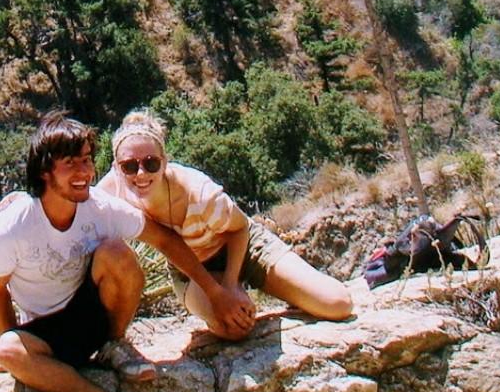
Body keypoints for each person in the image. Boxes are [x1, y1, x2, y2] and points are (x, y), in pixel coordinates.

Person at [0, 112, 246, 392]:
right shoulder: (10, 228)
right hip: (44, 330)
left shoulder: (99, 208)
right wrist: (19, 349)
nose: (85, 173)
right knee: (8, 351)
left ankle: (113, 345)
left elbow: (164, 239)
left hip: (91, 319)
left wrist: (214, 291)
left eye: (88, 160)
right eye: (71, 163)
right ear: (44, 171)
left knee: (116, 253)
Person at [92, 108, 354, 337]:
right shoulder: (111, 193)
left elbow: (239, 228)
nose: (140, 174)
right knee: (234, 327)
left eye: (150, 163)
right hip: (191, 269)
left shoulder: (199, 192)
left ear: (165, 162)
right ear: (116, 167)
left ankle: (285, 291)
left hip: (244, 247)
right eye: (129, 166)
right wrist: (217, 295)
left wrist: (229, 285)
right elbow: (84, 222)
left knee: (338, 304)